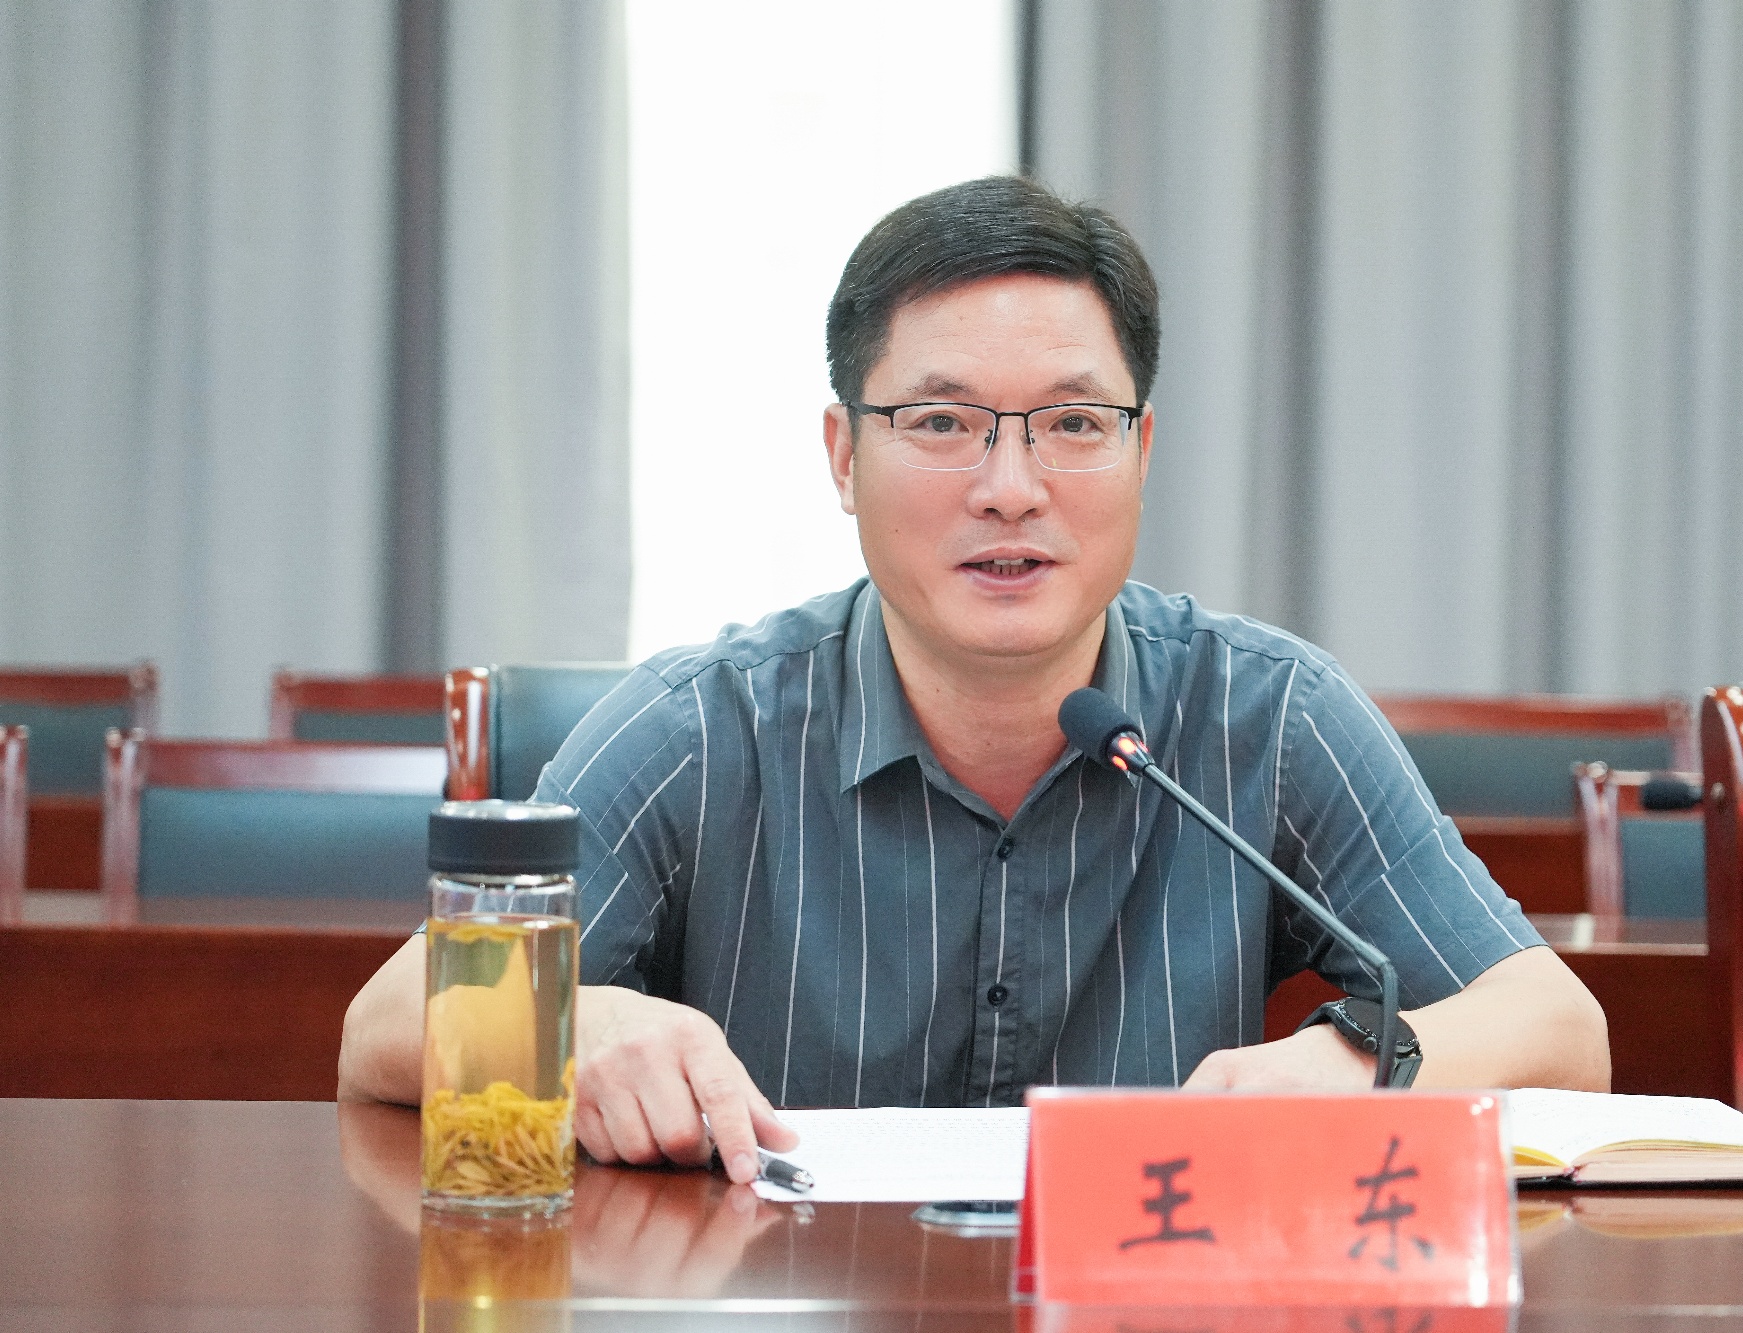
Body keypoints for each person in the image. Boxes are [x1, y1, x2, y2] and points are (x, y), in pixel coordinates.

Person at [340, 175, 1609, 1184]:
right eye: (941, 423)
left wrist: (1360, 1060)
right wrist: (582, 1028)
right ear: (842, 457)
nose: (1010, 487)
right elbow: (384, 1023)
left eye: (1072, 423)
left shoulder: (1267, 715)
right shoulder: (700, 728)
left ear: (1142, 452)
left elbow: (1557, 1028)